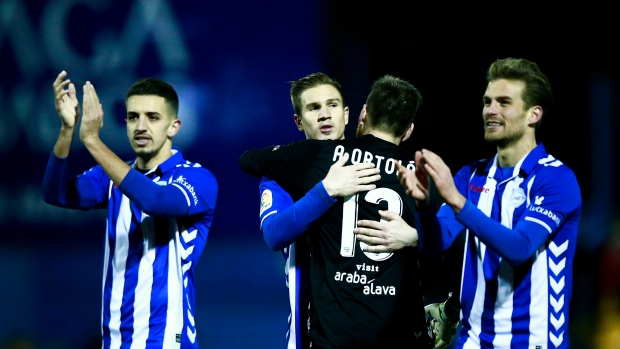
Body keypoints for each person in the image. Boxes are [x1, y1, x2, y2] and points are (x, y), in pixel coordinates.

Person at [395, 57, 582, 349]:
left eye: (504, 102)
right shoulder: (471, 176)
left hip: (534, 341)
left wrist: (456, 201)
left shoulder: (556, 179)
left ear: (533, 114)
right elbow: (436, 244)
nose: (490, 111)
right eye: (487, 101)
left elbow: (519, 248)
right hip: (472, 340)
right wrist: (424, 206)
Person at [240, 74, 432, 348]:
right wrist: (326, 190)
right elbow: (274, 234)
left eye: (332, 105)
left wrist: (415, 236)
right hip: (314, 324)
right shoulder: (281, 173)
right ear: (298, 121)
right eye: (313, 108)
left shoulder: (379, 166)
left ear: (349, 114)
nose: (324, 115)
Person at [42, 71, 218, 348]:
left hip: (165, 338)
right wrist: (67, 131)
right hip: (114, 338)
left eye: (153, 117)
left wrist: (92, 141)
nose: (141, 126)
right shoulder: (109, 177)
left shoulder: (197, 179)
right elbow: (55, 193)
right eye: (133, 117)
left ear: (174, 126)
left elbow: (156, 201)